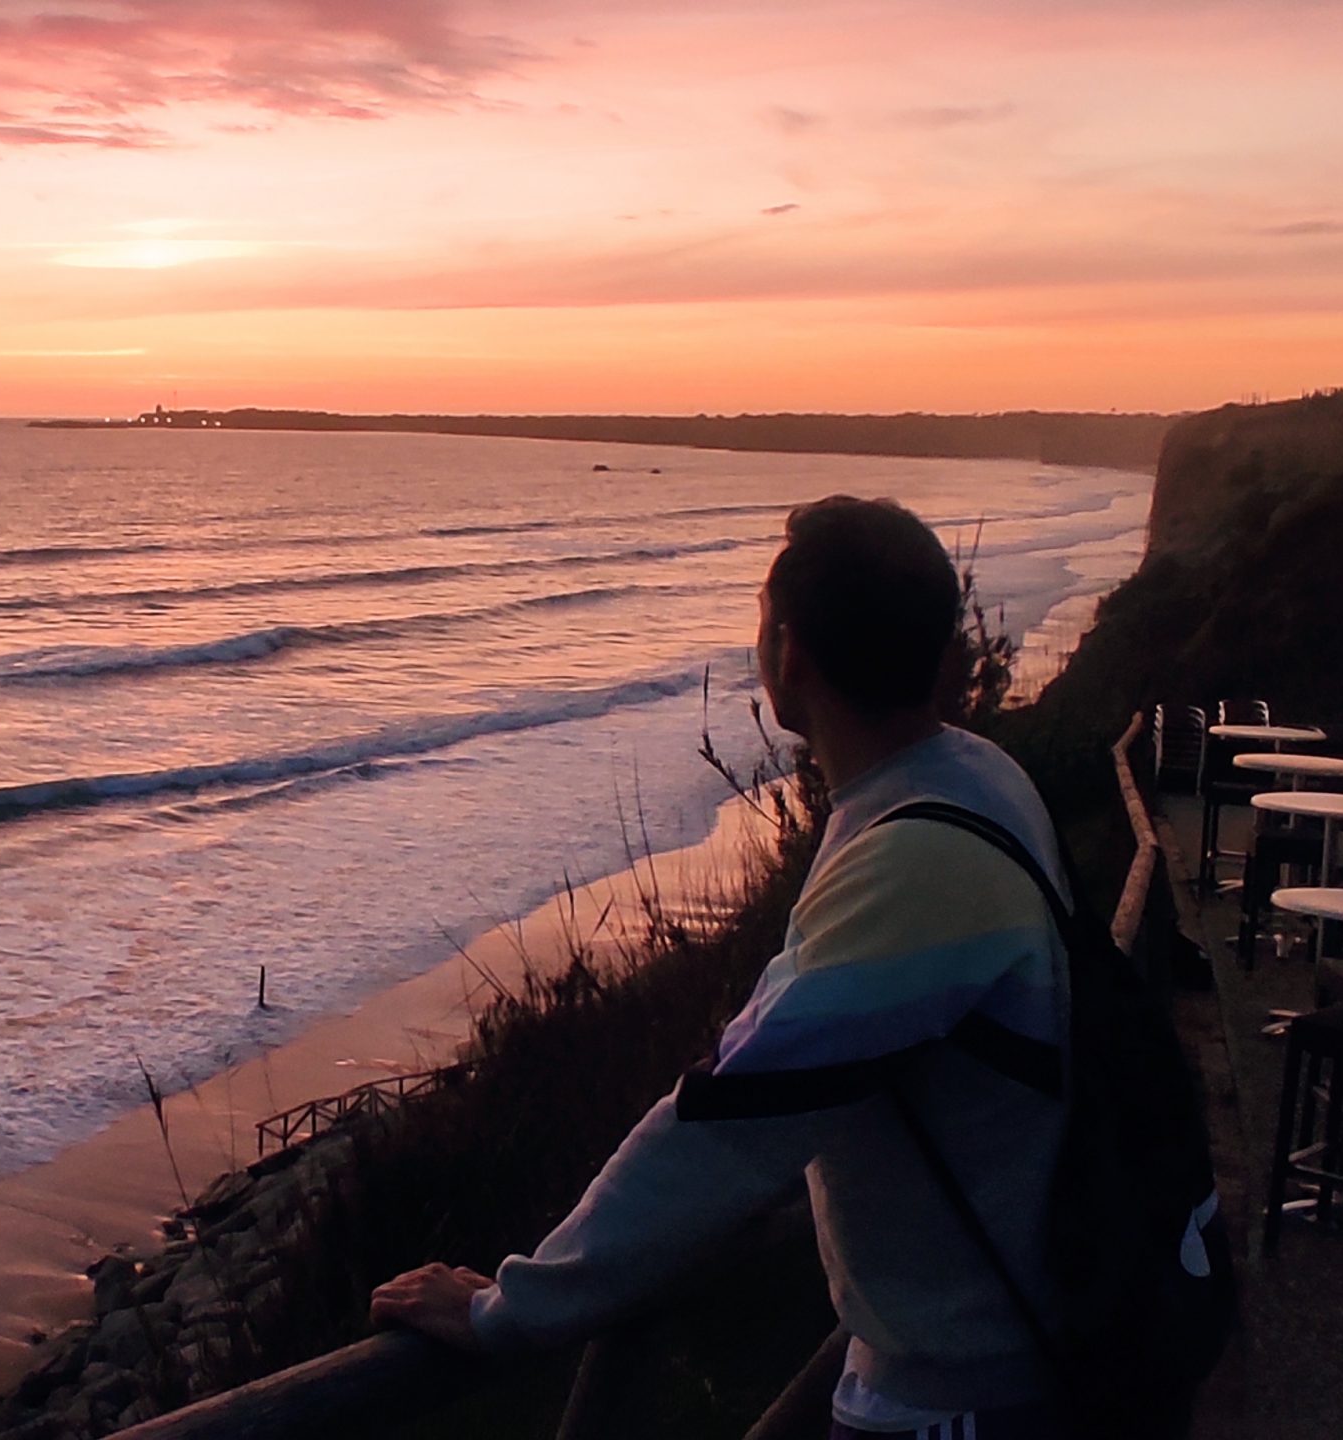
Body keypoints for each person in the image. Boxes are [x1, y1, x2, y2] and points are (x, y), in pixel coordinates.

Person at [371, 496, 1075, 1439]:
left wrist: (511, 1310)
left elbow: (729, 1123)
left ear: (788, 656)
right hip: (1004, 1345)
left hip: (962, 1394)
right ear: (943, 650)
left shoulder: (919, 859)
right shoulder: (974, 777)